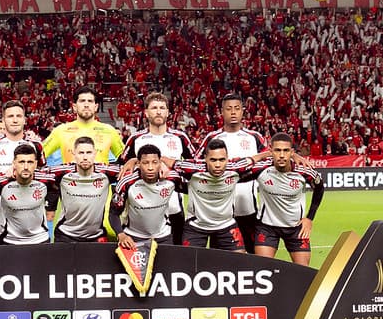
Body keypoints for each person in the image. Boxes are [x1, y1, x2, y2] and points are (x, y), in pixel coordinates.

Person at [118, 92, 196, 245]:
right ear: (146, 113)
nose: (158, 111)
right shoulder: (136, 139)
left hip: (173, 208)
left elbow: (195, 167)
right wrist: (134, 160)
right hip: (143, 211)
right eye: (154, 108)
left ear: (168, 112)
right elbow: (121, 167)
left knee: (174, 257)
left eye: (162, 108)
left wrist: (169, 163)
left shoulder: (180, 137)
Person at [197, 93, 267, 253]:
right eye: (229, 109)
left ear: (243, 111)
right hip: (219, 213)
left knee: (252, 258)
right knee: (221, 259)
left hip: (248, 210)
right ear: (222, 112)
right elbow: (197, 165)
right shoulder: (212, 137)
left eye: (237, 108)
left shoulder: (254, 137)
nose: (233, 112)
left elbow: (268, 161)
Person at [170, 139, 269, 251]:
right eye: (213, 160)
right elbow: (171, 163)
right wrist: (162, 166)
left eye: (222, 160)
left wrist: (269, 154)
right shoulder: (193, 168)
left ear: (227, 158)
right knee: (189, 265)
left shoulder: (235, 168)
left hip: (226, 225)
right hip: (196, 226)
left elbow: (251, 160)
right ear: (205, 159)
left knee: (240, 261)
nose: (218, 165)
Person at [248, 132, 325, 266]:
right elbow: (236, 170)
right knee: (262, 270)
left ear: (292, 152)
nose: (282, 155)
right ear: (271, 151)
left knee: (303, 272)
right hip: (267, 227)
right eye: (277, 150)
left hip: (296, 228)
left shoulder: (304, 171)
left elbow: (319, 188)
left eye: (286, 151)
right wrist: (263, 155)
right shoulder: (261, 169)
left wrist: (309, 218)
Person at [46, 136, 121, 242]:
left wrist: (132, 161)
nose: (85, 157)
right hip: (66, 235)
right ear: (74, 154)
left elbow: (131, 171)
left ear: (95, 153)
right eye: (81, 153)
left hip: (96, 236)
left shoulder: (106, 172)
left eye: (89, 152)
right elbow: (36, 173)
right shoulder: (62, 172)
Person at [110, 144, 180, 249]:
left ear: (160, 163)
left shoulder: (171, 178)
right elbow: (113, 213)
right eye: (145, 163)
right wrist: (121, 234)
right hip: (133, 237)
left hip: (163, 236)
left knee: (167, 266)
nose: (150, 167)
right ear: (138, 163)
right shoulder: (127, 182)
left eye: (155, 162)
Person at [0, 143, 57, 245]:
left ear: (35, 164)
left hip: (40, 240)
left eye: (30, 162)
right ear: (14, 163)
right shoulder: (1, 182)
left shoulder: (46, 180)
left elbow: (59, 183)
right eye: (21, 162)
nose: (26, 167)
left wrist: (51, 208)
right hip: (9, 241)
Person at [43, 86, 124, 164]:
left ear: (96, 107)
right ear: (74, 107)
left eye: (90, 101)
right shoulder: (60, 131)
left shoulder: (109, 131)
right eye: (82, 101)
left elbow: (126, 157)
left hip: (101, 178)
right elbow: (38, 154)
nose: (86, 105)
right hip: (70, 178)